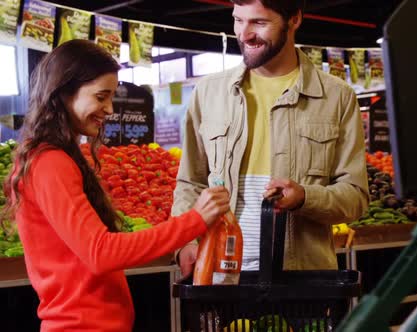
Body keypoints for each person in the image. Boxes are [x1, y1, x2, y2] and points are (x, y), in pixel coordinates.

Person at [3, 39, 230, 332]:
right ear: (64, 92)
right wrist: (193, 221)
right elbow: (101, 252)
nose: (109, 108)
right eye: (101, 97)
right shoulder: (50, 162)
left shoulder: (51, 157)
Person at [173, 0, 369, 274]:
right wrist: (185, 241)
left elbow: (355, 198)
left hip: (303, 283)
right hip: (220, 276)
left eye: (259, 22)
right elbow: (190, 182)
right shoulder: (209, 92)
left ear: (294, 19)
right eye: (238, 20)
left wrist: (304, 197)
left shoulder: (337, 97)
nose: (244, 33)